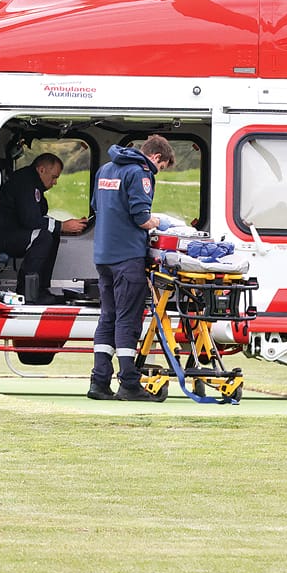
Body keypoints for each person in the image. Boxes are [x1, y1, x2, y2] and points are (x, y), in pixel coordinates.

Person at [88, 134, 175, 401]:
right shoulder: (140, 174)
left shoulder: (106, 169)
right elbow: (141, 218)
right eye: (161, 167)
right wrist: (163, 222)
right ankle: (128, 382)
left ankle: (99, 382)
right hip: (127, 257)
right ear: (156, 157)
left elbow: (95, 206)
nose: (157, 172)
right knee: (128, 319)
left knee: (108, 318)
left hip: (103, 256)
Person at [0, 152, 86, 304]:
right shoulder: (24, 182)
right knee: (43, 237)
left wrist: (60, 227)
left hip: (16, 231)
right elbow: (30, 220)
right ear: (42, 170)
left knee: (52, 234)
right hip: (5, 236)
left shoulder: (33, 183)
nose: (55, 182)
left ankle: (41, 289)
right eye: (54, 177)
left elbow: (38, 215)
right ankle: (28, 293)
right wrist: (62, 225)